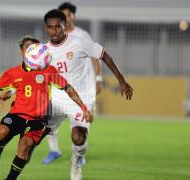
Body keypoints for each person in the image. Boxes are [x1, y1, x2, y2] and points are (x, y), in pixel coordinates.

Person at [0, 39, 92, 180]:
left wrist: (83, 108)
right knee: (1, 132)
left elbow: (67, 88)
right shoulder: (13, 72)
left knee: (24, 146)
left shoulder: (48, 70)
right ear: (23, 52)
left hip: (38, 120)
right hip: (17, 115)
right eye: (26, 47)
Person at [43, 9, 133, 180]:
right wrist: (12, 91)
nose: (54, 31)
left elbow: (103, 55)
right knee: (35, 133)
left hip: (82, 97)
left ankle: (76, 163)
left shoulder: (80, 42)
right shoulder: (43, 51)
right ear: (46, 28)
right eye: (50, 27)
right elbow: (30, 74)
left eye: (58, 27)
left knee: (78, 137)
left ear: (64, 25)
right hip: (58, 97)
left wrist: (121, 80)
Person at [42, 2, 103, 165]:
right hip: (59, 89)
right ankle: (54, 151)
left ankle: (79, 155)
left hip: (81, 89)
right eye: (64, 15)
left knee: (77, 128)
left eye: (69, 15)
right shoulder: (52, 41)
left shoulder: (82, 36)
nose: (67, 18)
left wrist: (98, 79)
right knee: (48, 121)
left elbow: (95, 56)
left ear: (72, 16)